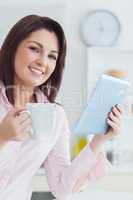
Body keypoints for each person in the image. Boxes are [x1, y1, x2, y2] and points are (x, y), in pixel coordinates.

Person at [0, 15, 123, 200]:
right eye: (34, 49)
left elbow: (61, 187)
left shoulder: (55, 115)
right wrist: (2, 137)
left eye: (52, 56)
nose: (43, 62)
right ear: (13, 48)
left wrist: (99, 140)